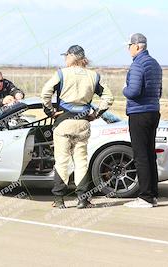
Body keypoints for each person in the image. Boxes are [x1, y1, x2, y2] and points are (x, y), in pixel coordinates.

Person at [41, 45, 114, 209]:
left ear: (71, 57)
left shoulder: (61, 73)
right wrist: (96, 114)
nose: (64, 59)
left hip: (63, 123)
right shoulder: (93, 76)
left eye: (66, 56)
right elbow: (108, 97)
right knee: (81, 162)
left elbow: (45, 92)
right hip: (83, 123)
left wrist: (49, 111)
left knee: (61, 162)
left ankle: (59, 200)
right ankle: (83, 199)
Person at [122, 33, 162, 208]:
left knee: (140, 156)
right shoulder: (155, 63)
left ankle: (145, 197)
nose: (128, 48)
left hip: (139, 114)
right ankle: (153, 193)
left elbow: (133, 91)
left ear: (137, 46)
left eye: (129, 45)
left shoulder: (138, 65)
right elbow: (159, 91)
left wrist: (124, 89)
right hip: (153, 111)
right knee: (149, 153)